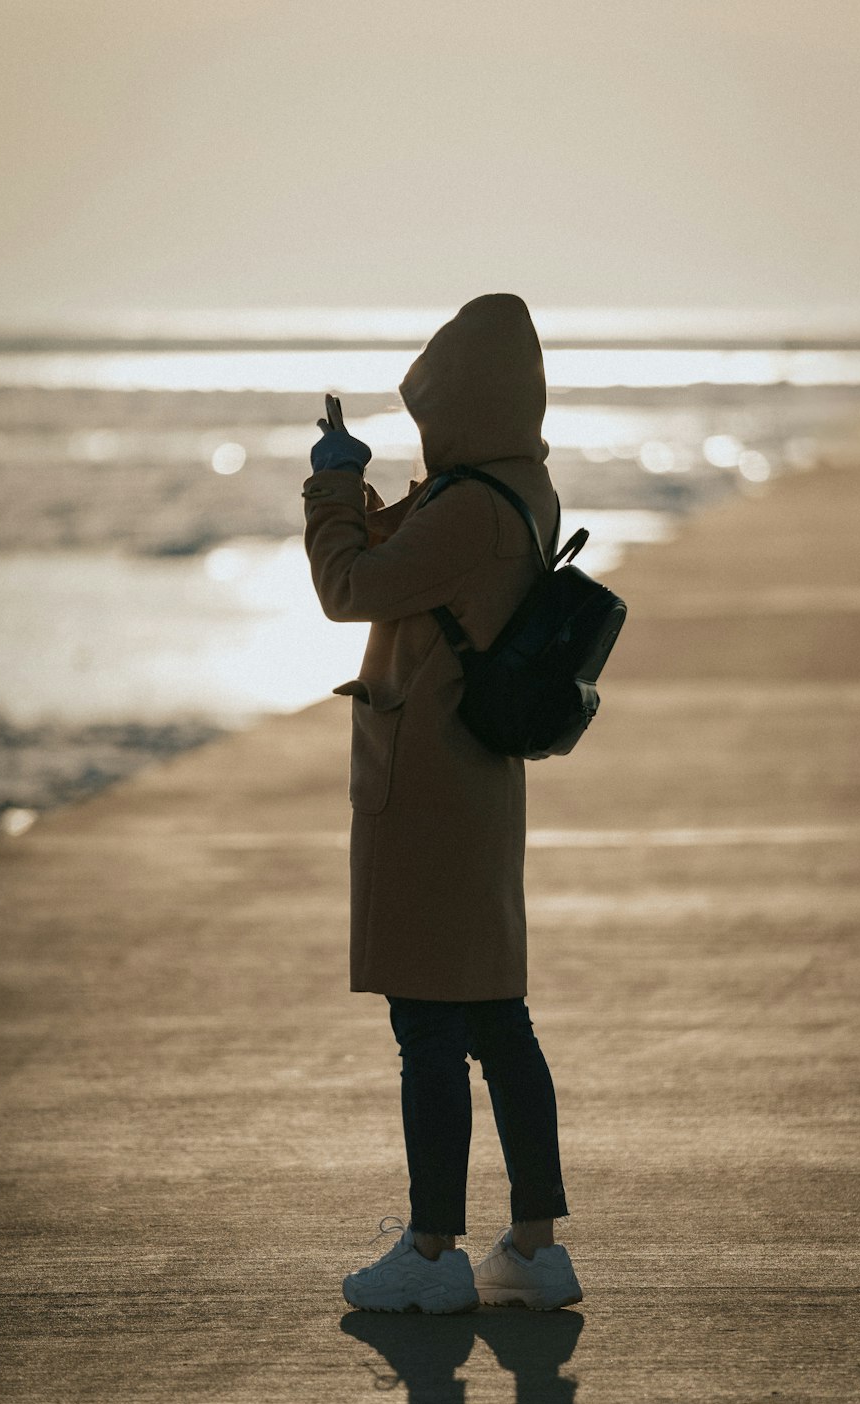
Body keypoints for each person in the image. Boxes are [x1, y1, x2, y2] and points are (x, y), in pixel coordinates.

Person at [303, 294, 583, 1313]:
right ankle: (536, 1247)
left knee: (426, 1023)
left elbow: (348, 588)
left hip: (426, 785)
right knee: (497, 1020)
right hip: (476, 783)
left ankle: (430, 1256)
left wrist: (330, 492)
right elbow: (413, 569)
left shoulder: (465, 509)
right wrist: (371, 489)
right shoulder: (516, 490)